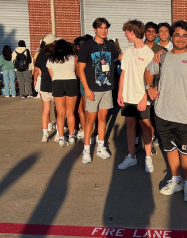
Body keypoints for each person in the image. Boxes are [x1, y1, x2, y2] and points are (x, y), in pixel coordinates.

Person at [145, 20, 187, 202]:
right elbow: (148, 72)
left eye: (185, 36)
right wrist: (149, 87)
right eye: (177, 35)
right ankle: (176, 180)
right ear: (172, 37)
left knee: (186, 152)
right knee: (170, 149)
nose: (181, 39)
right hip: (163, 113)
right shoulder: (161, 56)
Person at [78, 18, 120, 163]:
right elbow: (80, 69)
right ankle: (86, 150)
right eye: (101, 28)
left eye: (106, 28)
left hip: (107, 88)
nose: (104, 30)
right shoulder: (87, 46)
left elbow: (118, 56)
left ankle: (101, 146)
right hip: (92, 90)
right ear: (95, 29)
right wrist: (87, 89)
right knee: (90, 120)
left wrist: (137, 51)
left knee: (102, 118)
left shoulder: (109, 45)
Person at [117, 19, 155, 173]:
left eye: (127, 31)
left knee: (146, 127)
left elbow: (151, 78)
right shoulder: (127, 52)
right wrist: (120, 93)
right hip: (128, 97)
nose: (125, 35)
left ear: (133, 32)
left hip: (142, 97)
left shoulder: (149, 53)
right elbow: (123, 73)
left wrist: (145, 97)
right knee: (130, 126)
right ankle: (131, 156)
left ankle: (148, 158)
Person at [47, 39, 78, 147]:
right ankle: (71, 136)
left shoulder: (50, 59)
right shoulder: (73, 57)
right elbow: (77, 71)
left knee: (60, 113)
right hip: (71, 82)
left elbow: (51, 75)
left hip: (57, 83)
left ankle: (60, 137)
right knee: (70, 112)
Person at [35, 34, 58, 143]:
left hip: (44, 84)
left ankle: (45, 135)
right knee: (58, 109)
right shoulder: (56, 53)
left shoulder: (40, 54)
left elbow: (38, 70)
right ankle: (58, 133)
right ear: (53, 42)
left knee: (45, 110)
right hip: (56, 83)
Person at [144, 22, 163, 150]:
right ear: (144, 33)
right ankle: (146, 139)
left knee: (155, 114)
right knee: (143, 116)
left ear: (156, 34)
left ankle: (156, 136)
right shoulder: (139, 48)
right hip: (140, 86)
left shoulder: (160, 50)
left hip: (156, 87)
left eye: (153, 31)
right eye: (148, 31)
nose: (151, 34)